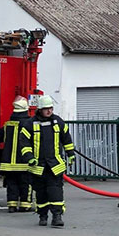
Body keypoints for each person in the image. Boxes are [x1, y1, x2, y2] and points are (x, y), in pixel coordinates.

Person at [19, 95, 75, 227]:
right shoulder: (30, 124)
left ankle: (57, 216)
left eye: (51, 108)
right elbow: (24, 143)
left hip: (55, 165)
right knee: (41, 193)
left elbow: (66, 139)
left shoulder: (58, 122)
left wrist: (70, 154)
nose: (49, 111)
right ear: (39, 109)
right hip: (38, 166)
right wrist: (29, 158)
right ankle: (43, 215)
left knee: (55, 191)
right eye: (46, 109)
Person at [0, 96, 33, 213]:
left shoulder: (8, 125)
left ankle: (12, 205)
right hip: (24, 162)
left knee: (12, 184)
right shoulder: (29, 125)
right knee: (25, 184)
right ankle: (25, 205)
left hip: (8, 163)